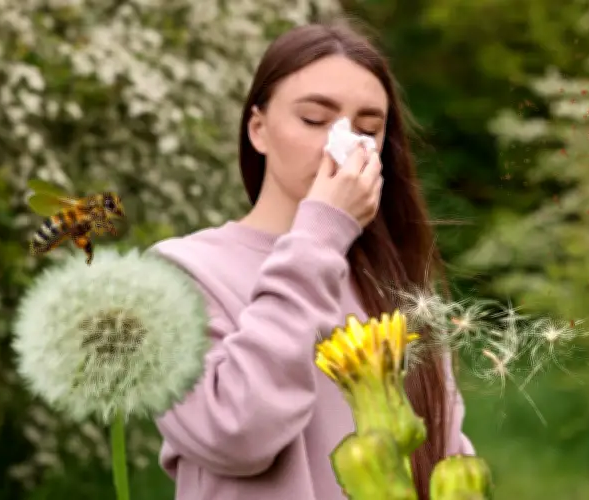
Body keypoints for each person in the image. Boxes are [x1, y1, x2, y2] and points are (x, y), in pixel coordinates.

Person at [151, 18, 475, 500]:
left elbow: (448, 458)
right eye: (314, 120)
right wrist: (320, 236)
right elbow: (237, 433)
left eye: (368, 129)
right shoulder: (178, 274)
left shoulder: (396, 283)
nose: (341, 145)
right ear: (258, 130)